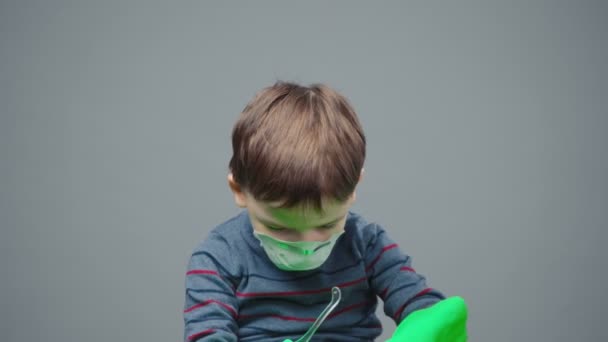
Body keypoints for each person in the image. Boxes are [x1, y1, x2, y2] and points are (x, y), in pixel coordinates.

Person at [183, 81, 451, 341]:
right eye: (280, 228)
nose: (306, 246)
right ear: (240, 190)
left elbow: (422, 305)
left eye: (326, 225)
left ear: (354, 188)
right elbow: (207, 335)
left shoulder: (367, 244)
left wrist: (428, 324)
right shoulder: (218, 258)